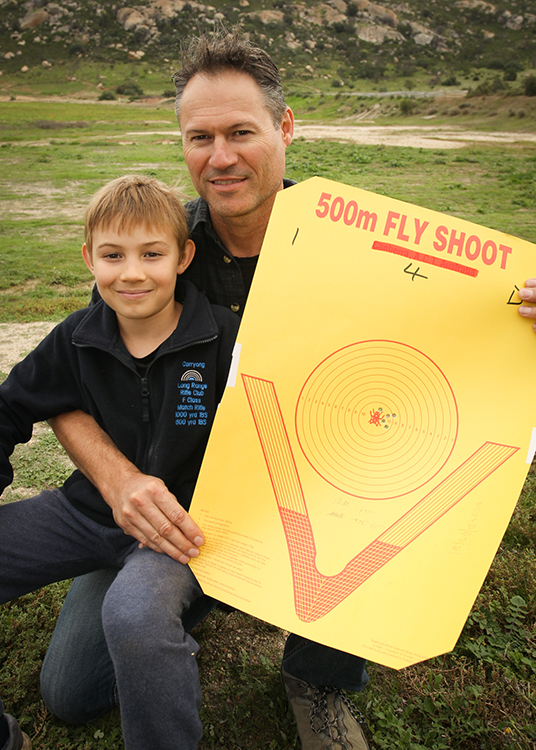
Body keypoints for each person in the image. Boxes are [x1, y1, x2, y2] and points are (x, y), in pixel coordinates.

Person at [0, 174, 239, 750]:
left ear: (184, 257)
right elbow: (10, 408)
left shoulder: (228, 340)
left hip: (181, 532)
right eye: (113, 255)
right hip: (88, 512)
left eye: (151, 254)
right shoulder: (75, 337)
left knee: (135, 616)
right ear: (89, 259)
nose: (131, 272)